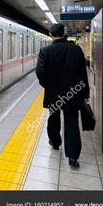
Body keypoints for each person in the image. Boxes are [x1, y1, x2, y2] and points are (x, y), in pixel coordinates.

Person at [36, 23, 90, 168]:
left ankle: (55, 142)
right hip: (73, 94)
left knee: (53, 118)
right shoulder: (76, 50)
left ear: (50, 34)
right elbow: (82, 74)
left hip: (53, 94)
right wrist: (85, 93)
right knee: (71, 122)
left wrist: (47, 85)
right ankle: (72, 157)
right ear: (64, 33)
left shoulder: (45, 51)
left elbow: (40, 72)